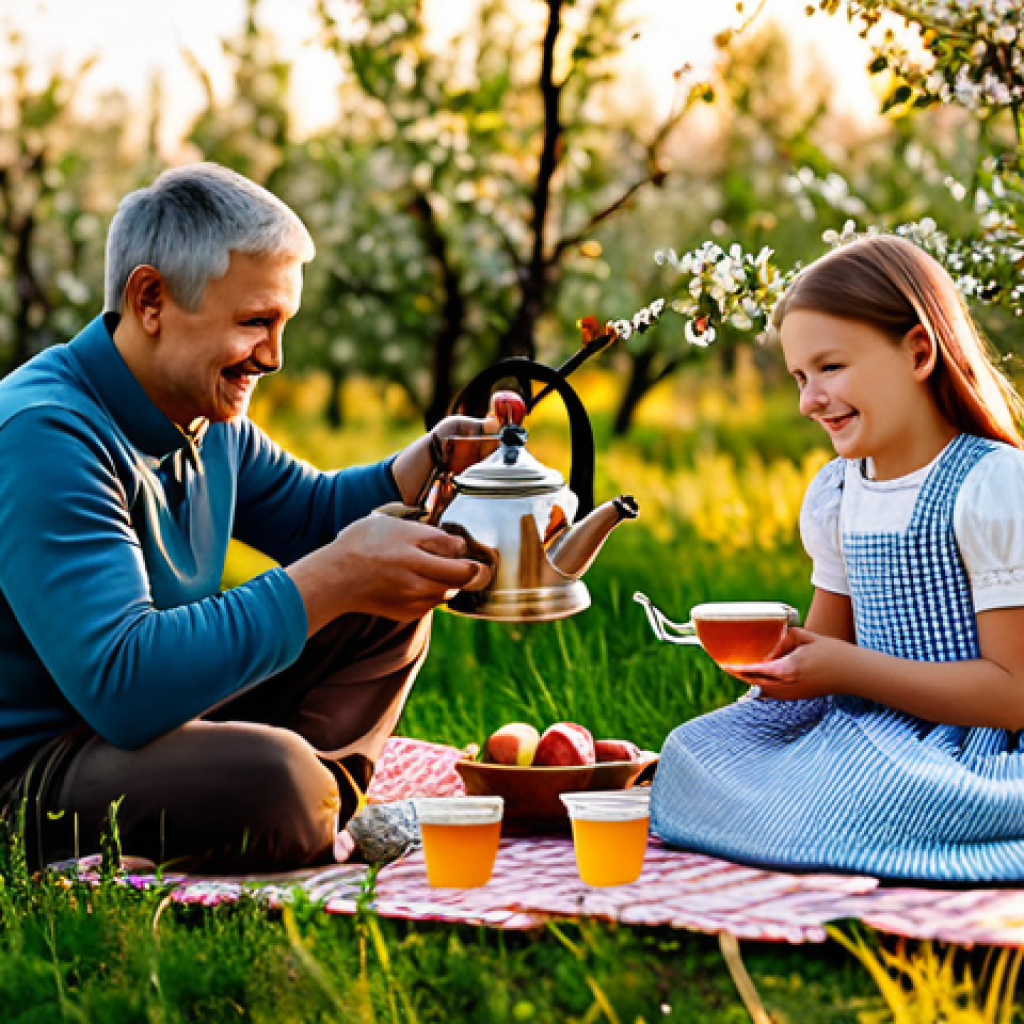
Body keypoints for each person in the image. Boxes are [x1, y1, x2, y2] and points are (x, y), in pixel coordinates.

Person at [0, 163, 494, 873]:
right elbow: (124, 684)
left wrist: (420, 465)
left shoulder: (201, 413)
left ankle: (314, 814)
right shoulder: (44, 434)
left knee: (392, 593)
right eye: (255, 323)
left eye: (282, 323)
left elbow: (313, 515)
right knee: (279, 781)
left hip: (143, 732)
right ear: (151, 300)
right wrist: (333, 577)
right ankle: (300, 809)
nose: (274, 356)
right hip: (34, 774)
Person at [652, 233, 1024, 882]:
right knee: (690, 754)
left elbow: (1012, 694)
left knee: (877, 789)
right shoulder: (839, 491)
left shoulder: (990, 484)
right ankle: (835, 823)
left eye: (830, 368)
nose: (808, 401)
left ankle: (846, 823)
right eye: (800, 377)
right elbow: (828, 643)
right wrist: (785, 665)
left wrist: (847, 670)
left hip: (975, 747)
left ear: (917, 351)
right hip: (865, 734)